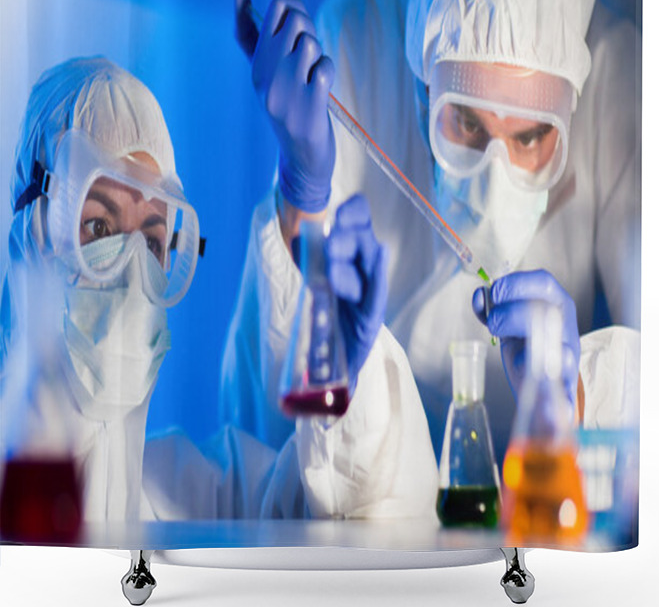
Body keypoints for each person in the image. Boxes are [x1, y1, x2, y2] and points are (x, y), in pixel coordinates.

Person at [222, 0, 641, 470]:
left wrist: (574, 394)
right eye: (467, 122)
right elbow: (261, 435)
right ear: (421, 85)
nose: (496, 183)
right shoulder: (360, 37)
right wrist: (301, 194)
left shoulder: (617, 74)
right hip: (368, 495)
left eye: (530, 137)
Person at [0, 56, 437, 527]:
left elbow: (370, 527)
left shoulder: (185, 499)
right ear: (33, 231)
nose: (131, 273)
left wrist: (352, 389)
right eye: (99, 226)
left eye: (151, 241)